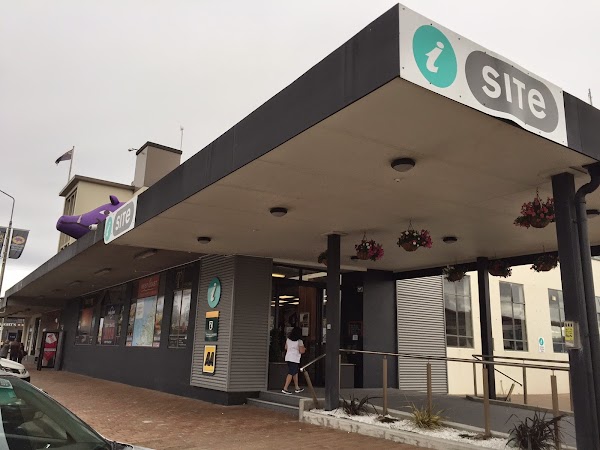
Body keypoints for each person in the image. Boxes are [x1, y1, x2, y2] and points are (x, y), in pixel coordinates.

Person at [282, 326, 305, 394]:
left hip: (288, 357)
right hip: (295, 358)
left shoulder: (288, 339)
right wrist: (304, 349)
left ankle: (297, 387)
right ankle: (285, 388)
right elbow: (301, 351)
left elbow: (286, 348)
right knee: (291, 372)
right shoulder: (299, 341)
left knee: (295, 372)